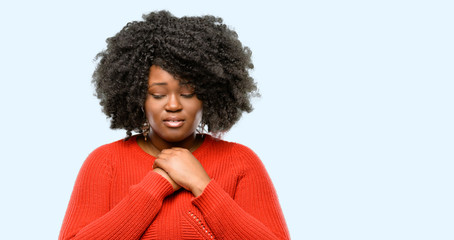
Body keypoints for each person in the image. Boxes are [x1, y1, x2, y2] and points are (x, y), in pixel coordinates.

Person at [59, 10, 290, 240]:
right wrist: (156, 185)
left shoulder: (241, 162)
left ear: (209, 95)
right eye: (158, 94)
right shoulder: (104, 163)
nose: (173, 105)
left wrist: (202, 185)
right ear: (139, 97)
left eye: (188, 93)